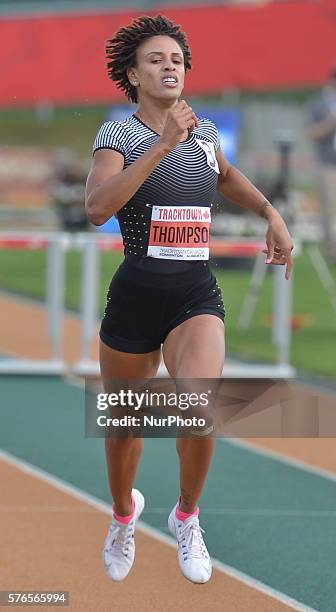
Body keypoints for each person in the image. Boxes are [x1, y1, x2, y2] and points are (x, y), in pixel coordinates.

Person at [85, 15, 293, 584]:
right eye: (155, 59)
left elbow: (224, 176)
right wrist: (159, 147)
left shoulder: (201, 134)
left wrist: (269, 212)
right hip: (134, 298)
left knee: (200, 407)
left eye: (176, 59)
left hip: (192, 295)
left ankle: (186, 516)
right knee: (123, 431)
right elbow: (98, 208)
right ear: (133, 74)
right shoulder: (117, 137)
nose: (170, 65)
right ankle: (125, 514)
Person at [307, 66, 336, 263]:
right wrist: (332, 122)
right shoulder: (319, 104)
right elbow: (312, 133)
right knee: (330, 209)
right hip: (329, 163)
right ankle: (332, 250)